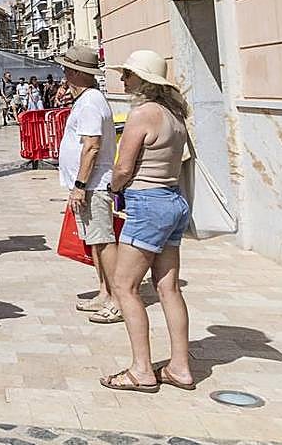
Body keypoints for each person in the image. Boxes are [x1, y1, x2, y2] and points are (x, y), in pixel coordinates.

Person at [102, 50, 194, 393]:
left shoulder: (143, 114)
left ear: (145, 80)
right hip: (173, 200)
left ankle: (141, 369)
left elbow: (124, 167)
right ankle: (180, 367)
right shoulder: (174, 114)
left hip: (147, 203)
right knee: (168, 287)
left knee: (124, 286)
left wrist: (108, 187)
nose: (123, 79)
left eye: (128, 74)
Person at [55, 46, 120, 324]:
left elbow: (92, 146)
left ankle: (118, 299)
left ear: (79, 73)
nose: (65, 74)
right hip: (87, 184)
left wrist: (81, 184)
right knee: (94, 241)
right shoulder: (85, 99)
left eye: (68, 69)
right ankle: (105, 292)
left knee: (104, 241)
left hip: (93, 184)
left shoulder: (91, 101)